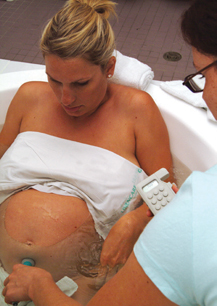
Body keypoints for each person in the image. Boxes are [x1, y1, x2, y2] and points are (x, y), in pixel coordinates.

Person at [3, 0, 217, 305]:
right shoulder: (28, 98)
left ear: (110, 68)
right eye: (54, 79)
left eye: (80, 83)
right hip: (6, 275)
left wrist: (134, 222)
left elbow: (168, 195)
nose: (65, 97)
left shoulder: (136, 111)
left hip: (90, 287)